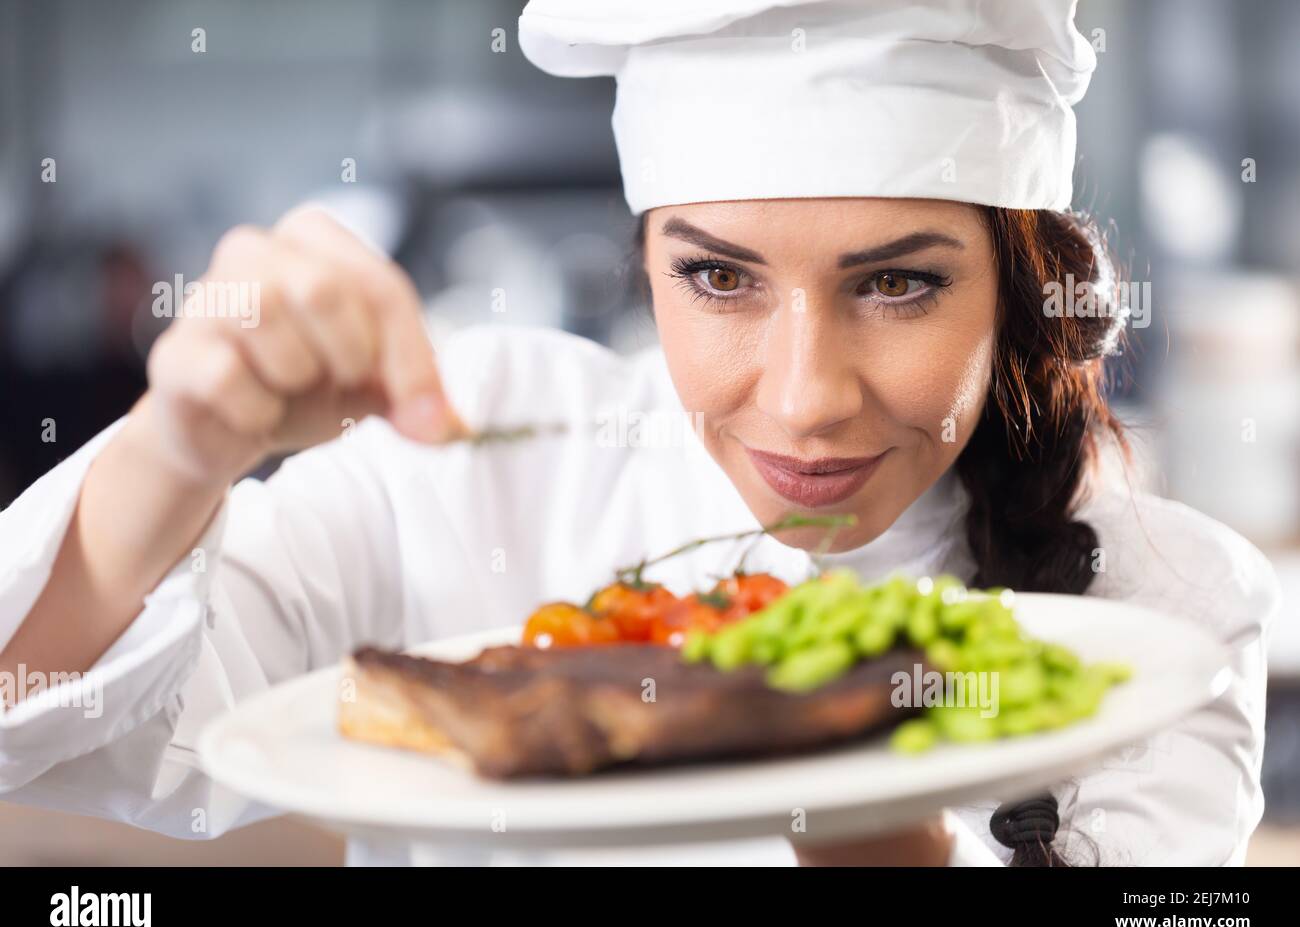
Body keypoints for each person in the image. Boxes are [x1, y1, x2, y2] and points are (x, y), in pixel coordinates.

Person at [0, 0, 1279, 866]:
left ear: (1018, 282)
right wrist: (181, 449)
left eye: (897, 283)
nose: (803, 397)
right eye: (719, 279)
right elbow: (38, 718)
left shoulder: (1173, 602)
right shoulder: (479, 456)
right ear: (644, 266)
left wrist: (856, 778)